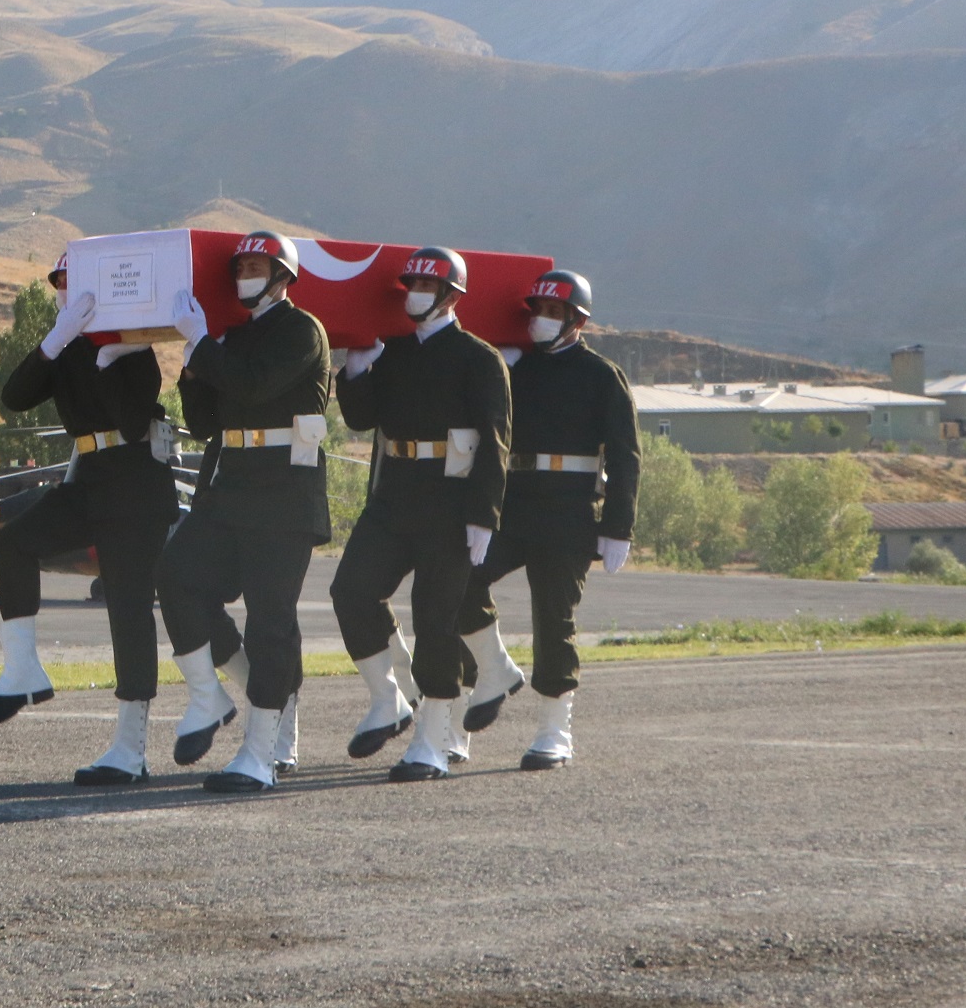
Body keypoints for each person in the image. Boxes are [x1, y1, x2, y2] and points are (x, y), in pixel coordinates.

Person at [0, 253, 178, 786]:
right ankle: (23, 670)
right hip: (89, 479)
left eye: (72, 281)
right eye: (59, 283)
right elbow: (15, 396)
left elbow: (133, 421)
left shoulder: (132, 344)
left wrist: (108, 359)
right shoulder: (65, 349)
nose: (64, 290)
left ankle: (131, 749)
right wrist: (53, 341)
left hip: (135, 486)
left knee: (129, 610)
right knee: (15, 543)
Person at [155, 232, 332, 794]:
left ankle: (261, 754)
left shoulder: (303, 331)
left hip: (283, 494)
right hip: (228, 490)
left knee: (270, 620)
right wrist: (191, 368)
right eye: (240, 268)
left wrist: (204, 347)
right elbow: (209, 422)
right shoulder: (230, 340)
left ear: (282, 276)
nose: (245, 276)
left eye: (256, 266)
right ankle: (212, 697)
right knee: (177, 577)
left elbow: (254, 385)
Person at [327, 245, 511, 782]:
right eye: (411, 286)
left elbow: (496, 442)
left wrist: (484, 516)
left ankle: (433, 741)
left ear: (452, 295)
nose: (414, 295)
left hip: (451, 503)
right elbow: (362, 419)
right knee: (351, 591)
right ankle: (390, 698)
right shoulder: (397, 352)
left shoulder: (480, 359)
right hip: (394, 497)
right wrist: (356, 370)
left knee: (436, 618)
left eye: (426, 287)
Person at [457, 269, 639, 770]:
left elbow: (625, 454)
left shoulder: (602, 376)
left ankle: (554, 732)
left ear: (577, 321)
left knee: (553, 621)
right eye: (536, 311)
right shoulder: (514, 369)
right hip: (514, 505)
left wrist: (618, 525)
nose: (540, 321)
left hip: (568, 510)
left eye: (552, 313)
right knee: (457, 581)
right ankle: (495, 669)